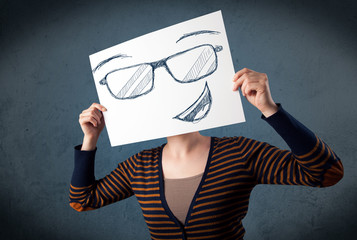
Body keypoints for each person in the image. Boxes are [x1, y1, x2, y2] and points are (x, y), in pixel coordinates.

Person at [69, 68, 343, 240]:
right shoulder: (140, 166)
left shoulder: (239, 152)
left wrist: (270, 109)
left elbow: (327, 172)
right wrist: (90, 139)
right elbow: (83, 200)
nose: (168, 92)